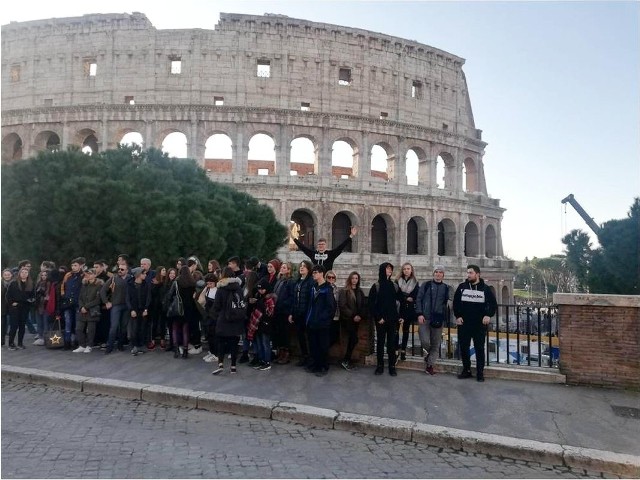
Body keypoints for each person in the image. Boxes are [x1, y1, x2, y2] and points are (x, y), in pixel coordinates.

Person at [453, 264, 497, 382]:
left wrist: (488, 315)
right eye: (467, 273)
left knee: (479, 348)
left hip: (479, 324)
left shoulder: (485, 288)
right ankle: (466, 369)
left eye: (471, 273)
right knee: (464, 347)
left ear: (477, 274)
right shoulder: (462, 287)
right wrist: (458, 316)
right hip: (464, 323)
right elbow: (456, 303)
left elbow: (493, 304)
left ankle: (480, 372)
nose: (468, 275)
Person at [415, 265, 451, 375]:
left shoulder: (446, 288)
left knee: (436, 343)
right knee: (425, 340)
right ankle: (431, 356)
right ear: (433, 273)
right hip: (425, 317)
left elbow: (447, 303)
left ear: (443, 275)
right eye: (436, 272)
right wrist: (420, 313)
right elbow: (419, 299)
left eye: (440, 272)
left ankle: (430, 365)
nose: (438, 274)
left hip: (438, 318)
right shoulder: (425, 285)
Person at [368, 262, 400, 376]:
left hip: (392, 319)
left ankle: (392, 366)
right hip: (380, 319)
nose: (390, 270)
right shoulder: (376, 286)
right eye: (387, 268)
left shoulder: (394, 286)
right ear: (382, 270)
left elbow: (400, 299)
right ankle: (380, 366)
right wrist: (378, 317)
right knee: (380, 343)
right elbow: (371, 304)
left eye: (391, 268)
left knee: (391, 343)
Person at [211, 267, 244, 375]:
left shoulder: (221, 288)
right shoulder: (238, 288)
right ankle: (233, 366)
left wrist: (217, 316)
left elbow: (216, 306)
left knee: (221, 343)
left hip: (223, 319)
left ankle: (220, 364)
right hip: (236, 320)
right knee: (234, 344)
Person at [305, 265, 336, 377]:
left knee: (323, 345)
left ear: (322, 273)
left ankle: (323, 366)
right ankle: (314, 364)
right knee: (313, 345)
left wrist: (323, 319)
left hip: (322, 323)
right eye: (313, 273)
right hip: (312, 321)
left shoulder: (327, 288)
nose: (313, 274)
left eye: (316, 272)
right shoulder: (313, 287)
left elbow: (331, 307)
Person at [292, 226, 358, 271]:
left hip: (327, 279)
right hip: (315, 279)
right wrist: (292, 237)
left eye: (322, 244)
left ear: (325, 245)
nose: (321, 246)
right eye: (319, 244)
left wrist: (351, 236)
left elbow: (341, 246)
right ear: (317, 245)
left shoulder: (331, 254)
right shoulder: (313, 254)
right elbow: (303, 247)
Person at [338, 271, 367, 371]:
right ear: (349, 279)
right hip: (347, 320)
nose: (354, 280)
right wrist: (353, 315)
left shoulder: (360, 291)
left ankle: (346, 360)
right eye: (353, 278)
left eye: (356, 278)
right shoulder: (344, 291)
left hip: (356, 320)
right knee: (354, 339)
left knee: (352, 339)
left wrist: (359, 315)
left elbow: (363, 305)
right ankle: (345, 360)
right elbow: (342, 306)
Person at [247, 279, 277, 371]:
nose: (260, 291)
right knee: (259, 343)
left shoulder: (270, 298)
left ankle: (267, 362)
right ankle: (261, 360)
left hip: (266, 324)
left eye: (262, 289)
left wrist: (259, 303)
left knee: (265, 343)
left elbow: (270, 313)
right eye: (259, 289)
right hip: (257, 323)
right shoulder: (258, 295)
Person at [289, 260, 314, 367]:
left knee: (309, 337)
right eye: (301, 266)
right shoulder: (297, 281)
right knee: (300, 337)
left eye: (304, 266)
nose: (302, 268)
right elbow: (294, 299)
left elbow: (311, 300)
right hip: (297, 314)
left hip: (306, 315)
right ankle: (304, 357)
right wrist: (291, 313)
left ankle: (310, 358)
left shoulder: (311, 282)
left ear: (308, 269)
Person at [74, 269, 104, 353]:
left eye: (90, 274)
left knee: (91, 330)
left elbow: (98, 300)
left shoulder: (99, 285)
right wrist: (81, 307)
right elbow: (80, 297)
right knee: (79, 328)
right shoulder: (84, 284)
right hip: (82, 310)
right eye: (87, 274)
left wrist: (86, 307)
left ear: (95, 275)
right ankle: (82, 345)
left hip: (92, 310)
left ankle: (89, 345)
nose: (88, 275)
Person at [6, 267, 35, 350]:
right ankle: (11, 343)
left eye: (26, 272)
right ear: (19, 273)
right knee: (14, 326)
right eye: (22, 272)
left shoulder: (31, 284)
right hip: (15, 308)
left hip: (25, 307)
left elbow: (33, 296)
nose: (24, 274)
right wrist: (12, 303)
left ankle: (20, 343)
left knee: (22, 326)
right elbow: (8, 295)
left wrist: (31, 301)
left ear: (28, 274)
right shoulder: (14, 283)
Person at [396, 262, 419, 362]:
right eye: (404, 269)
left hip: (408, 309)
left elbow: (415, 295)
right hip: (398, 308)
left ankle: (403, 351)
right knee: (396, 331)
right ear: (402, 270)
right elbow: (397, 294)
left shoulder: (415, 282)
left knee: (406, 331)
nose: (406, 270)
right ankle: (396, 350)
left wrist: (408, 298)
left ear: (411, 270)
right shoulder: (397, 281)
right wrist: (406, 298)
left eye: (408, 269)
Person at [126, 267, 151, 356]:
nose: (145, 275)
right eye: (143, 274)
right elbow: (128, 298)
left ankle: (140, 345)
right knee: (134, 328)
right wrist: (131, 310)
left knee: (142, 328)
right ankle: (134, 346)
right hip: (134, 309)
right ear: (138, 275)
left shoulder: (146, 284)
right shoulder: (130, 284)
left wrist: (146, 309)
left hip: (142, 309)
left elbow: (148, 297)